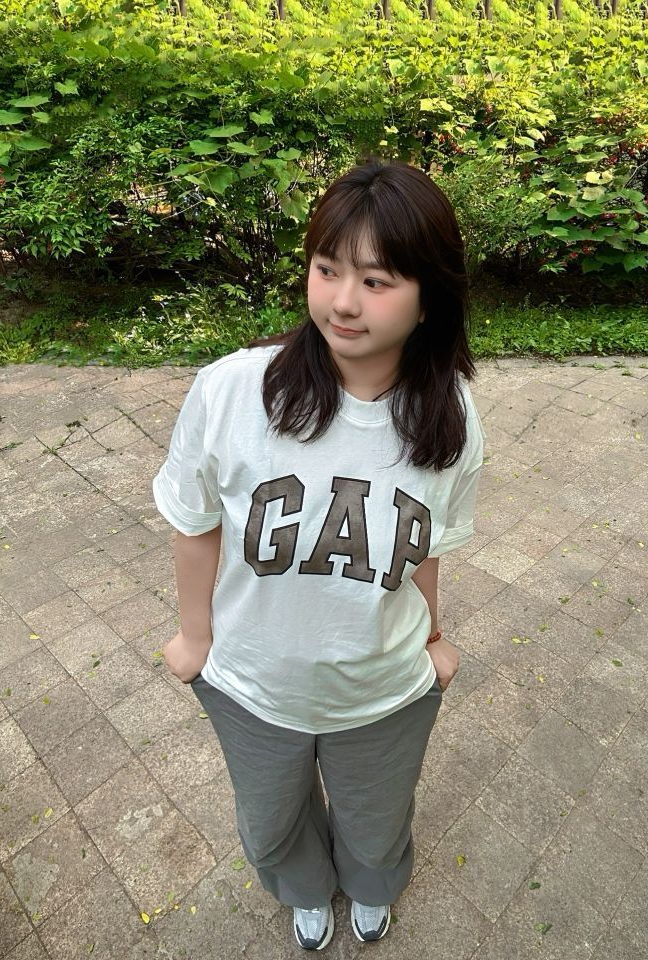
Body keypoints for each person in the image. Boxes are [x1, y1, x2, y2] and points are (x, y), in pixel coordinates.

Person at [152, 157, 487, 950]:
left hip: (383, 691)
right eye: (327, 268)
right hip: (251, 685)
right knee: (270, 821)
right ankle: (304, 890)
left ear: (429, 297)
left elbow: (424, 546)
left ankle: (371, 886)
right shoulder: (233, 391)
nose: (342, 301)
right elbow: (194, 519)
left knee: (377, 820)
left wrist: (434, 637)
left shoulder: (450, 417)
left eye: (376, 281)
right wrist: (195, 637)